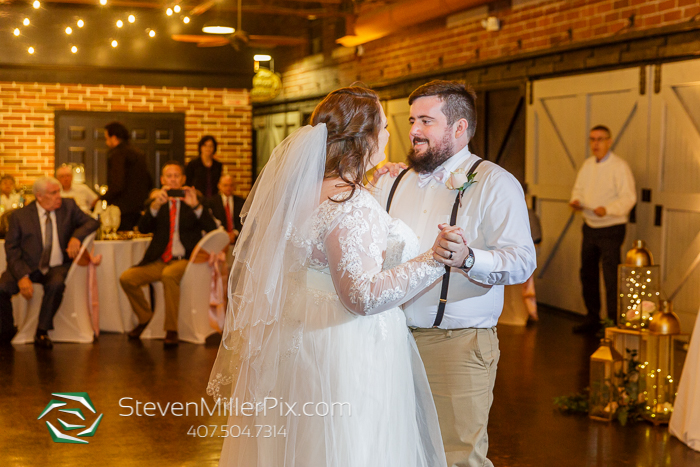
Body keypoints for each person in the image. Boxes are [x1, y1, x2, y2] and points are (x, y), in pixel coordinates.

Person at [207, 86, 448, 467]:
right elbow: (362, 296)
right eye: (384, 127)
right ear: (364, 137)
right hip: (347, 347)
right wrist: (435, 259)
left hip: (302, 339)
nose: (389, 134)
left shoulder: (303, 193)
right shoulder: (351, 203)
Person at [372, 80, 536, 467]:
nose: (413, 130)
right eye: (412, 120)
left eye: (426, 121)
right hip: (390, 341)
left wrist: (469, 258)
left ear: (459, 128)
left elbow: (522, 261)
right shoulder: (393, 181)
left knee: (457, 457)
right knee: (398, 451)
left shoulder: (496, 183)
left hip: (457, 345)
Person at [119, 161, 217, 347]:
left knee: (169, 275)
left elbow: (212, 229)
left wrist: (195, 206)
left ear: (183, 179)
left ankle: (171, 329)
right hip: (159, 259)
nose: (173, 179)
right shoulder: (156, 202)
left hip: (186, 259)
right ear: (163, 179)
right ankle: (145, 317)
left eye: (176, 176)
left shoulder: (196, 200)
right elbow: (142, 227)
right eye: (169, 176)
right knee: (127, 278)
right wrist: (155, 207)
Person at [0, 177, 99, 348]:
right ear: (39, 196)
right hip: (27, 266)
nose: (58, 196)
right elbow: (12, 249)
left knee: (56, 285)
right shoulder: (20, 216)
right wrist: (22, 276)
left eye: (59, 191)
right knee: (2, 287)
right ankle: (6, 330)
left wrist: (76, 237)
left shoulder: (69, 207)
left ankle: (42, 331)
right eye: (53, 193)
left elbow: (93, 222)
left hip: (56, 266)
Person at [569, 125, 636, 333]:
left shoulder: (619, 167)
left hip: (611, 228)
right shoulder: (588, 165)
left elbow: (629, 198)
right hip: (590, 226)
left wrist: (607, 209)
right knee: (587, 273)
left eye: (600, 139)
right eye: (592, 139)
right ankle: (592, 317)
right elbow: (578, 189)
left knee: (610, 275)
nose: (595, 144)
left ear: (609, 141)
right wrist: (577, 201)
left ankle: (612, 322)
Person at [102, 122, 153, 231]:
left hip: (122, 209)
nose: (106, 143)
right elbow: (149, 180)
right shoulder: (138, 153)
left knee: (121, 242)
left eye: (107, 138)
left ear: (114, 138)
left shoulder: (117, 154)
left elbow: (117, 183)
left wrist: (103, 198)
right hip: (139, 208)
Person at [205, 174, 244, 245]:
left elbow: (244, 220)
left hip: (238, 240)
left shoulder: (241, 202)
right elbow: (211, 220)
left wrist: (234, 233)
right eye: (225, 185)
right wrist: (224, 234)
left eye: (231, 185)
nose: (228, 188)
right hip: (218, 240)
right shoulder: (212, 202)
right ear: (219, 186)